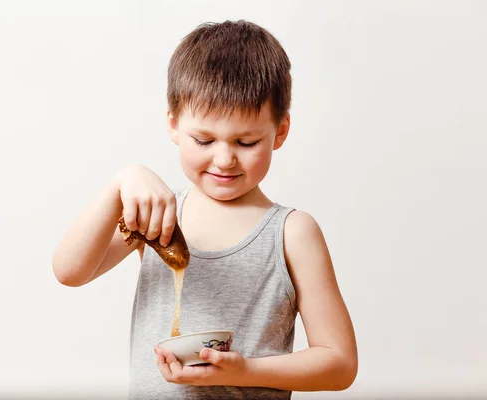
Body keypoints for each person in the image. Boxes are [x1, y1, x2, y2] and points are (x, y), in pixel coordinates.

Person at [52, 19, 358, 399]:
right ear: (174, 125)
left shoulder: (292, 232)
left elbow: (339, 364)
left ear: (280, 132)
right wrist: (121, 182)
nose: (225, 159)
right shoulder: (159, 215)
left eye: (246, 142)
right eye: (204, 139)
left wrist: (245, 371)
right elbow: (69, 271)